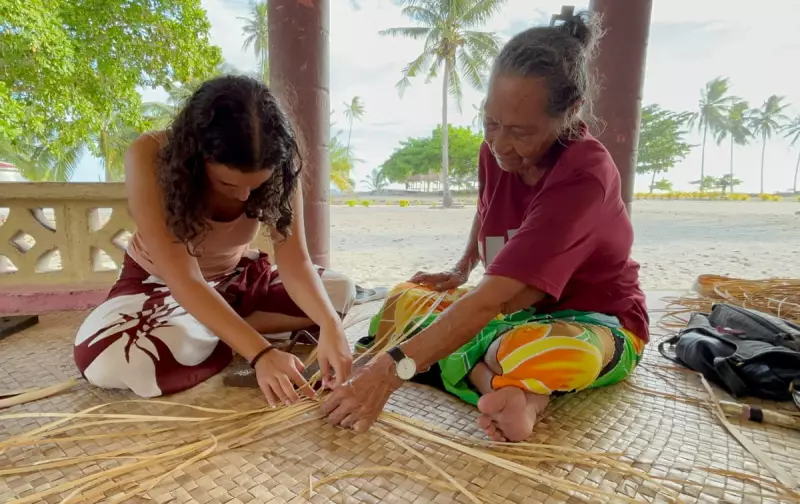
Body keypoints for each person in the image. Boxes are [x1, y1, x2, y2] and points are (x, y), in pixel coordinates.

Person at [322, 11, 649, 442]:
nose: (499, 144)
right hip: (511, 313)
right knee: (403, 299)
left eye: (520, 132)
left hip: (591, 319)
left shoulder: (585, 176)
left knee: (556, 350)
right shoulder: (494, 153)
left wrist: (388, 371)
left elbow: (490, 302)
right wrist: (462, 268)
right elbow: (489, 208)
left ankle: (486, 372)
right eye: (490, 122)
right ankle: (504, 385)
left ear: (570, 112)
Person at [74, 75, 355, 404]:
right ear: (195, 154)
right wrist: (261, 353)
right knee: (114, 357)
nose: (245, 196)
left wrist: (331, 326)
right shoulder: (150, 155)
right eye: (228, 184)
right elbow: (184, 278)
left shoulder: (281, 164)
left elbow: (296, 262)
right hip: (160, 286)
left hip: (235, 282)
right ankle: (228, 330)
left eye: (256, 185)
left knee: (338, 293)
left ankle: (213, 328)